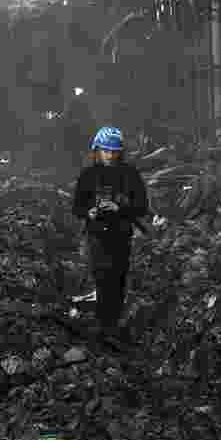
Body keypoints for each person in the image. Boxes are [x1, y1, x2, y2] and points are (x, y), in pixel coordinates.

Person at [72, 126, 148, 343]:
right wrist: (89, 211)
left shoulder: (130, 175)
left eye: (114, 151)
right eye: (106, 150)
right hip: (96, 236)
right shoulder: (88, 175)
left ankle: (112, 324)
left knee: (118, 279)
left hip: (121, 235)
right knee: (103, 278)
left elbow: (142, 206)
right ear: (97, 150)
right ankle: (104, 326)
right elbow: (76, 207)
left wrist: (120, 209)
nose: (110, 155)